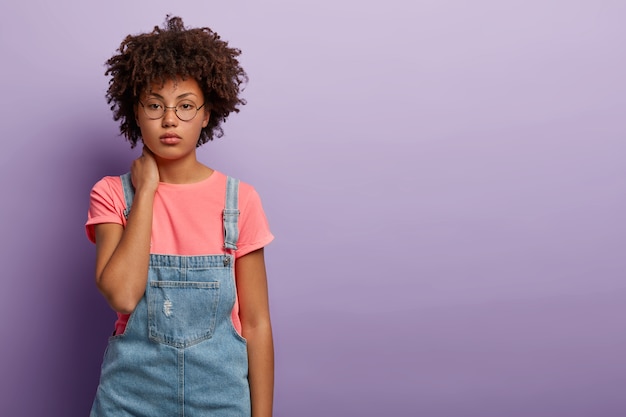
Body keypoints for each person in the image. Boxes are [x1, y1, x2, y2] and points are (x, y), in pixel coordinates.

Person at [85, 15, 274, 416]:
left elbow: (256, 324)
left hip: (220, 401)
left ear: (207, 114)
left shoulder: (240, 200)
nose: (170, 119)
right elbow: (121, 294)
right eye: (155, 105)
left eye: (186, 106)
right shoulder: (112, 194)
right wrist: (148, 191)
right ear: (135, 112)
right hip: (129, 400)